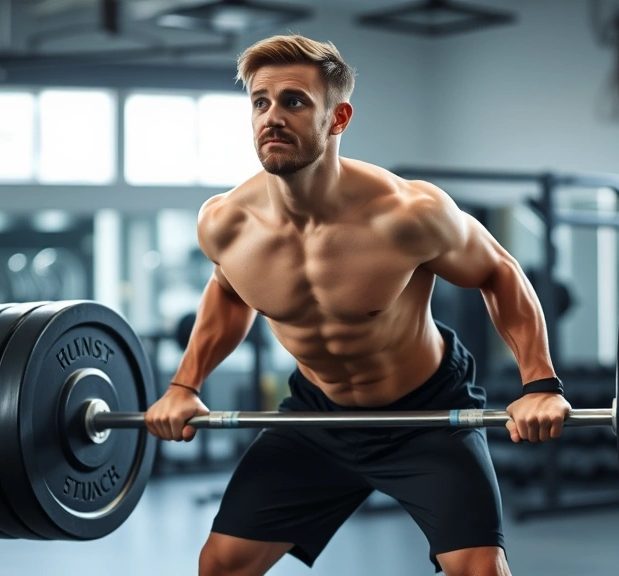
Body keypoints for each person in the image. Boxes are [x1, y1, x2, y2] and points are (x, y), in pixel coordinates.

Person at [145, 34, 571, 576]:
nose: (271, 117)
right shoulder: (226, 223)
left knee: (480, 570)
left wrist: (540, 385)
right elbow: (229, 293)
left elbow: (499, 272)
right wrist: (184, 385)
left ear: (337, 117)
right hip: (315, 416)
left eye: (294, 101)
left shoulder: (408, 213)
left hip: (426, 414)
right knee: (221, 565)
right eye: (260, 102)